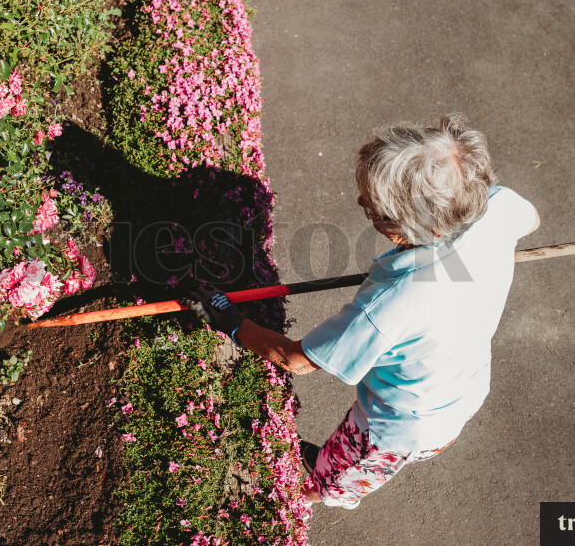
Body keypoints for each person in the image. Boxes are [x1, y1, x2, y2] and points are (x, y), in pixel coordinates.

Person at [190, 115, 540, 510]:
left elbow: (296, 359)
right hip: (463, 383)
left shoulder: (392, 304)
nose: (361, 203)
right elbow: (532, 219)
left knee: (341, 475)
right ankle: (324, 464)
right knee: (342, 448)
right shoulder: (497, 204)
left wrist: (228, 320)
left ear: (415, 225)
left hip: (399, 425)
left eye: (375, 208)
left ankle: (314, 492)